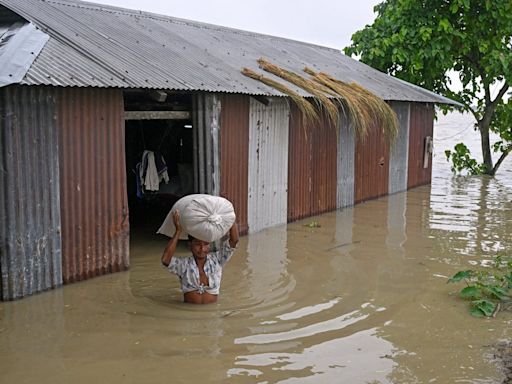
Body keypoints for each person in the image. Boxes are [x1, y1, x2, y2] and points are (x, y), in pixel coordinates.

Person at [161, 210, 239, 304]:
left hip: (211, 314)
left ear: (209, 245)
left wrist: (230, 217)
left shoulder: (217, 260)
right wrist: (178, 231)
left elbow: (234, 241)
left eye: (206, 244)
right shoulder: (184, 265)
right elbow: (165, 259)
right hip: (189, 314)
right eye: (197, 244)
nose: (202, 248)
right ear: (190, 246)